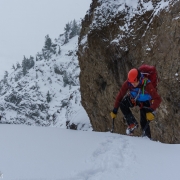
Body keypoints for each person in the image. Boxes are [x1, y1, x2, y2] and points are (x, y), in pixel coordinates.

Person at [110, 68, 161, 138]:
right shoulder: (128, 83)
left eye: (135, 82)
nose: (133, 84)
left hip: (145, 101)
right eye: (131, 82)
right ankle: (132, 123)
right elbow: (120, 96)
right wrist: (115, 110)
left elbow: (157, 99)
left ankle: (147, 138)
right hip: (135, 98)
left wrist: (151, 110)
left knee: (143, 120)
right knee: (123, 104)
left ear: (139, 78)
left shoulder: (147, 84)